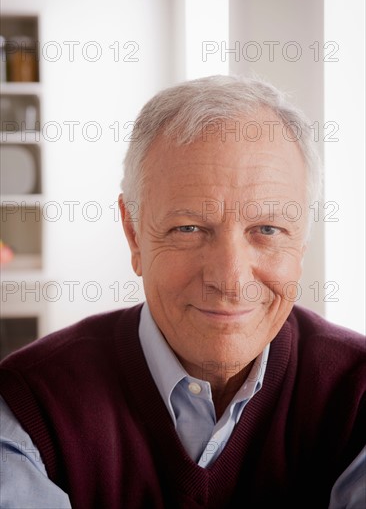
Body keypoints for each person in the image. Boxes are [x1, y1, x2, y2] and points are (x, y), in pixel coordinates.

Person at [0, 75, 365, 508]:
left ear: (302, 240)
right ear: (134, 234)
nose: (229, 279)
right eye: (188, 228)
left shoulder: (356, 394)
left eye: (268, 229)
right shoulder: (29, 408)